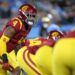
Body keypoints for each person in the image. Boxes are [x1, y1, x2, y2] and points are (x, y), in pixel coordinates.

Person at [0, 4, 37, 75]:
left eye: (33, 16)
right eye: (30, 16)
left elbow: (17, 43)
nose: (32, 18)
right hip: (1, 50)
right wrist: (4, 58)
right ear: (23, 15)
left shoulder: (27, 26)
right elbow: (2, 41)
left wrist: (19, 58)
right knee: (17, 71)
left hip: (6, 51)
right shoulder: (17, 23)